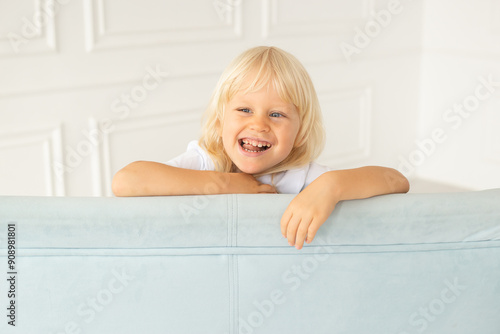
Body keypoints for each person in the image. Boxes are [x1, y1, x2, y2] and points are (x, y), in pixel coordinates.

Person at [112, 46, 409, 250]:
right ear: (220, 121)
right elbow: (126, 181)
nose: (259, 125)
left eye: (276, 114)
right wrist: (225, 184)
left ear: (302, 131)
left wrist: (331, 187)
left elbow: (397, 181)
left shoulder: (303, 177)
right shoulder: (208, 162)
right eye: (244, 109)